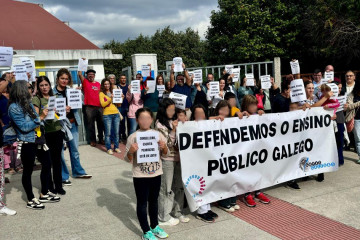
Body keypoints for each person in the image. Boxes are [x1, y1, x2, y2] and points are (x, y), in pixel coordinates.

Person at [9, 81, 60, 209]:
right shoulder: (14, 107)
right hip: (27, 141)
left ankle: (44, 192)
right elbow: (24, 127)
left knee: (47, 163)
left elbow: (37, 119)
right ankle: (31, 199)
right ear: (21, 90)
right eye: (29, 87)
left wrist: (47, 115)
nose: (31, 89)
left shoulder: (28, 103)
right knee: (28, 170)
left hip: (38, 138)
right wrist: (40, 117)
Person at [125, 107, 169, 240]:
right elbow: (128, 159)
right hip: (140, 175)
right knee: (142, 203)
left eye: (147, 118)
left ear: (152, 119)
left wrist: (164, 147)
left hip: (156, 174)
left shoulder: (158, 135)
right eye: (141, 118)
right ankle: (146, 231)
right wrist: (131, 151)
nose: (145, 121)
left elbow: (166, 154)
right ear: (137, 120)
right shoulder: (133, 137)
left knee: (154, 201)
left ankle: (155, 226)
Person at [53, 68, 92, 187]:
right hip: (59, 125)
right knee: (59, 152)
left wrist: (78, 95)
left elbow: (80, 105)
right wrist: (62, 110)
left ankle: (78, 172)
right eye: (62, 78)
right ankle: (63, 176)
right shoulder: (52, 93)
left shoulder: (71, 91)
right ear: (58, 79)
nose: (64, 81)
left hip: (73, 123)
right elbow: (51, 111)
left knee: (74, 149)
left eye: (66, 79)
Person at [156, 98, 190, 226]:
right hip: (167, 160)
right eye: (169, 109)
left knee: (179, 187)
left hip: (179, 159)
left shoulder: (176, 121)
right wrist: (174, 130)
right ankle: (163, 216)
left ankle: (177, 211)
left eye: (173, 109)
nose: (172, 112)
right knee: (166, 188)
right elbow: (167, 144)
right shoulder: (160, 124)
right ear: (163, 110)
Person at [33, 76, 67, 195]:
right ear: (39, 87)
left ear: (49, 85)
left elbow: (61, 113)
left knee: (57, 160)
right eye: (41, 85)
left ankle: (59, 185)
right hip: (44, 133)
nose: (44, 87)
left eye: (46, 85)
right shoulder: (37, 99)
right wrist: (43, 113)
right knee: (48, 162)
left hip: (57, 131)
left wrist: (64, 110)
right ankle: (49, 186)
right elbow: (36, 118)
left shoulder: (56, 97)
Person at [240, 95, 270, 207]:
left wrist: (263, 116)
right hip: (247, 149)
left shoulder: (258, 115)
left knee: (258, 170)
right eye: (251, 104)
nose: (254, 107)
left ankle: (258, 191)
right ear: (246, 105)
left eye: (255, 104)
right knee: (248, 171)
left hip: (258, 148)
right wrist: (241, 115)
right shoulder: (242, 115)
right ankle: (247, 194)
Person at [190, 104, 218, 223]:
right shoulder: (190, 126)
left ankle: (207, 208)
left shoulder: (208, 125)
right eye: (197, 114)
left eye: (202, 113)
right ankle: (201, 211)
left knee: (208, 184)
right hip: (196, 161)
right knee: (200, 185)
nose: (200, 116)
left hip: (207, 160)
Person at [77, 66, 104, 147]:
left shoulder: (98, 84)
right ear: (87, 76)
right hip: (89, 107)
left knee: (100, 124)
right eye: (89, 74)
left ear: (94, 76)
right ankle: (93, 140)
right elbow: (79, 73)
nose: (91, 76)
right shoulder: (85, 82)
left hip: (99, 107)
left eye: (92, 74)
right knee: (91, 125)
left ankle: (101, 139)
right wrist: (82, 62)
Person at [99, 78, 122, 155]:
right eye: (105, 84)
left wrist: (121, 98)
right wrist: (110, 98)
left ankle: (116, 147)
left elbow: (118, 105)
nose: (107, 85)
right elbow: (103, 104)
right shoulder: (101, 94)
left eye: (108, 84)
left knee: (116, 132)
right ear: (103, 85)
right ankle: (108, 148)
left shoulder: (114, 92)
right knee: (108, 133)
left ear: (110, 84)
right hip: (107, 115)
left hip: (116, 113)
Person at [118, 74, 129, 142]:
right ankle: (121, 136)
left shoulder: (128, 86)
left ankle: (126, 136)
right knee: (121, 123)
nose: (123, 79)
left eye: (124, 78)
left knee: (129, 123)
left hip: (128, 106)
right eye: (122, 78)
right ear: (120, 79)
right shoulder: (117, 86)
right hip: (120, 107)